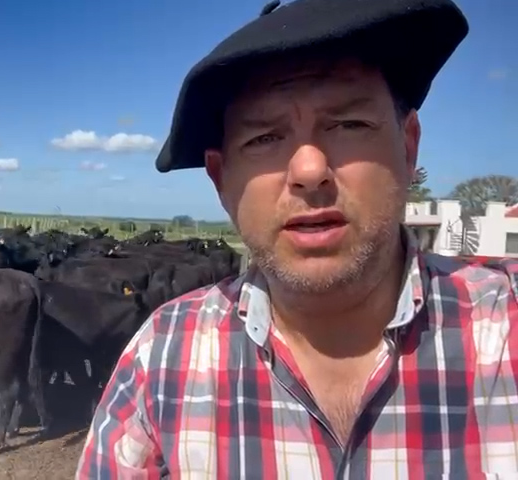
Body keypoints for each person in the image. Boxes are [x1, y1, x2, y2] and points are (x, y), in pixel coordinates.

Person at [76, 0, 518, 478]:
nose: (309, 170)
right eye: (264, 138)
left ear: (408, 147)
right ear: (221, 179)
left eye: (349, 124)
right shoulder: (160, 359)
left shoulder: (504, 329)